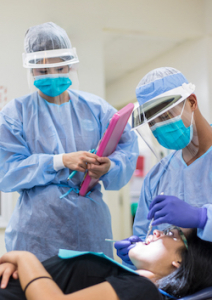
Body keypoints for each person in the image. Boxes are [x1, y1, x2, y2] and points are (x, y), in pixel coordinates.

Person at [0, 22, 139, 261]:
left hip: (91, 230)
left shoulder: (96, 108)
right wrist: (60, 161)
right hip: (37, 235)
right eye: (42, 71)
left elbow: (126, 149)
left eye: (58, 67)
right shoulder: (15, 113)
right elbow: (7, 171)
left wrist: (110, 166)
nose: (52, 75)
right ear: (31, 70)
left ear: (69, 66)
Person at [115, 67, 212, 265]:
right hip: (176, 288)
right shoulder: (157, 177)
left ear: (192, 102)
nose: (160, 126)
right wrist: (136, 253)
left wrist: (202, 217)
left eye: (166, 116)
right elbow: (146, 235)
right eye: (152, 122)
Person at [0, 226, 212, 300]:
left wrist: (23, 258)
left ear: (180, 262)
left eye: (168, 233)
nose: (156, 231)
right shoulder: (130, 282)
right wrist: (19, 270)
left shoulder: (142, 290)